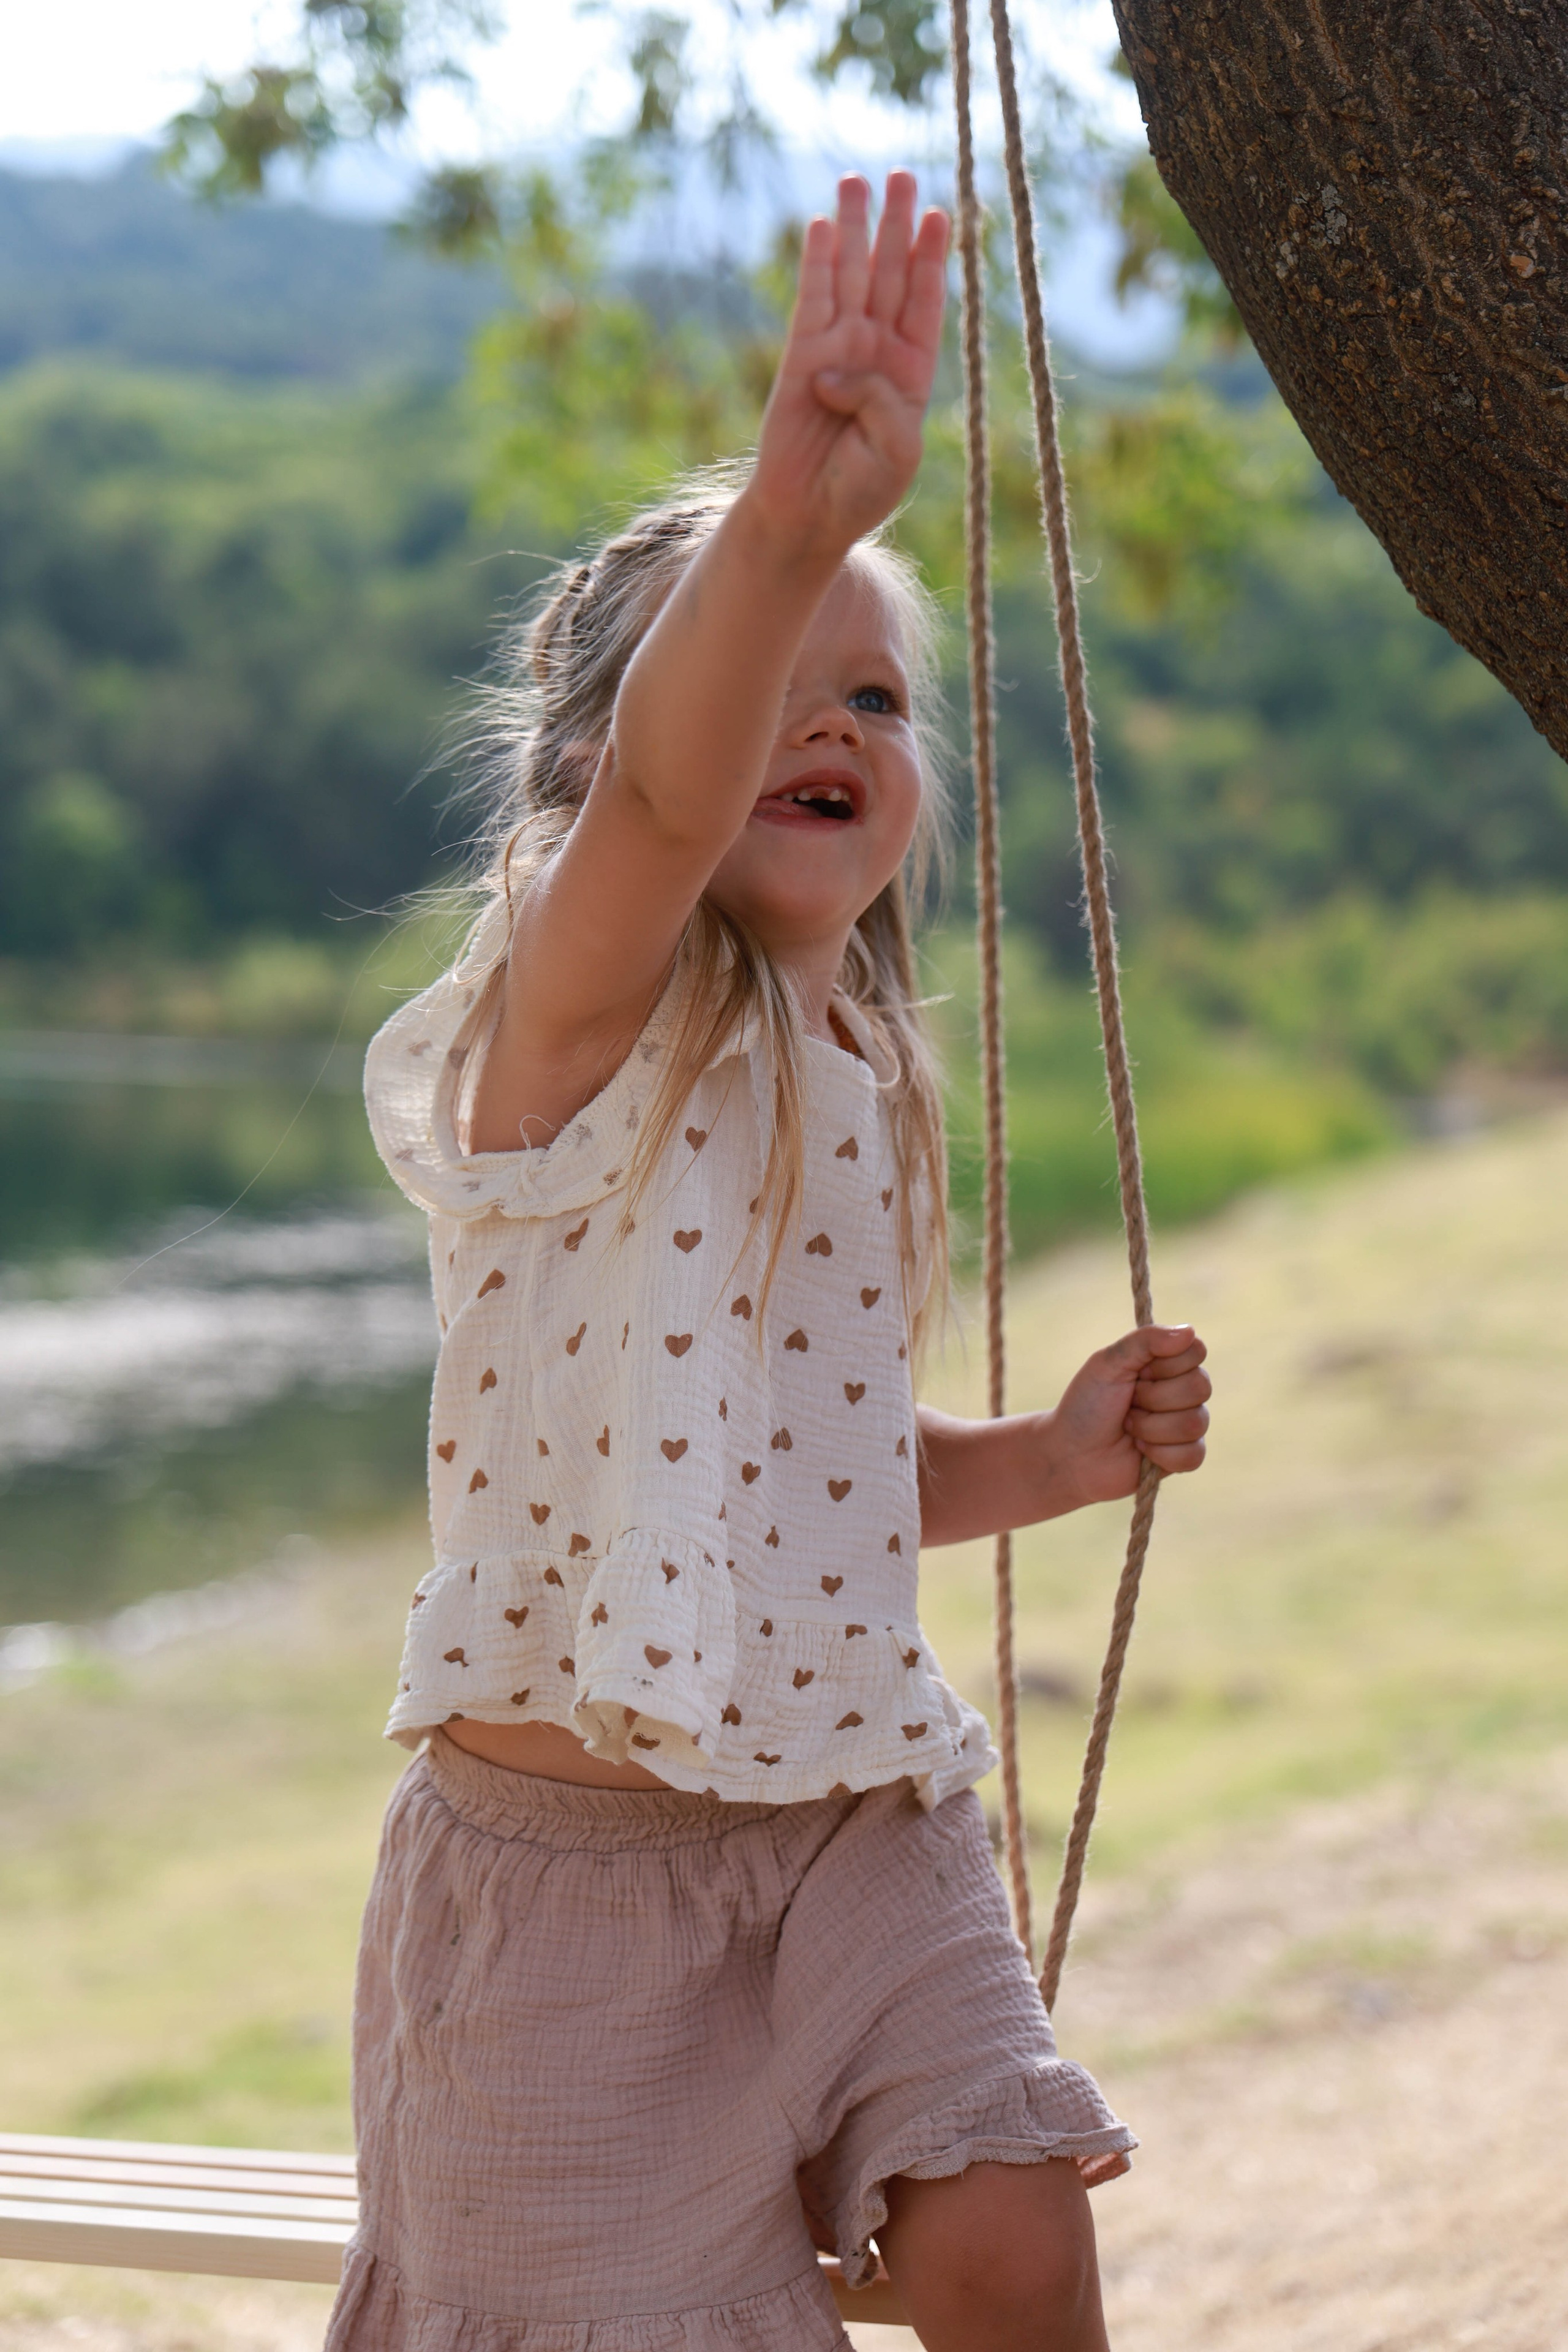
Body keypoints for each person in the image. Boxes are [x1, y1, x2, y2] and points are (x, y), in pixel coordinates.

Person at [334, 170, 1211, 2352]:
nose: (833, 729)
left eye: (882, 704)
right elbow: (656, 808)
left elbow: (816, 1457)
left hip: (850, 1813)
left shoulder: (851, 1070)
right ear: (600, 763)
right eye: (772, 694)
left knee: (1015, 2231)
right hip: (568, 1887)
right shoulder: (578, 1012)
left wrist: (1046, 1456)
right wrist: (797, 527)